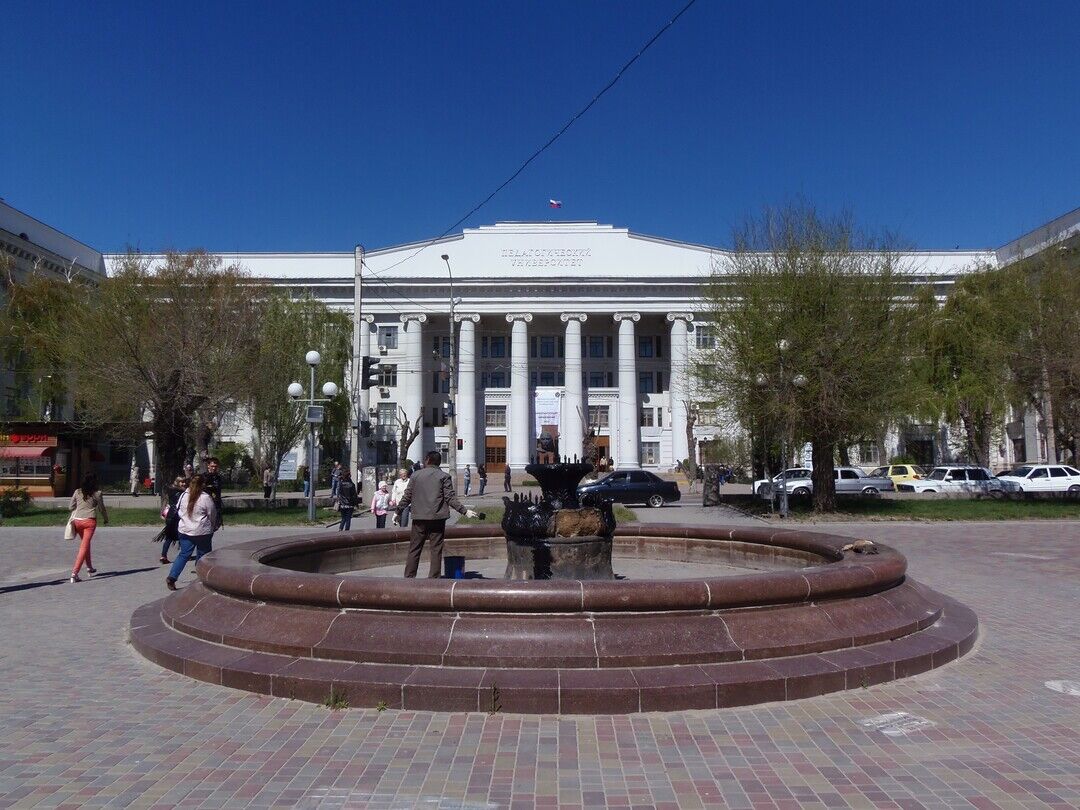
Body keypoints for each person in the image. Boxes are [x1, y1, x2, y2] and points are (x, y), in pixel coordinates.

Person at [392, 451, 478, 578]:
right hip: (437, 518)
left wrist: (397, 512)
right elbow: (450, 498)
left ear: (427, 460)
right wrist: (464, 511)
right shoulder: (444, 476)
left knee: (414, 548)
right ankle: (434, 579)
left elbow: (407, 496)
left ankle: (409, 578)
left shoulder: (416, 476)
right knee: (436, 549)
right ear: (439, 462)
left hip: (419, 518)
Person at [166, 474, 219, 590]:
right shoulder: (205, 497)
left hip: (185, 529)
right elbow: (212, 514)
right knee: (203, 555)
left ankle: (172, 577)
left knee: (184, 554)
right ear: (202, 485)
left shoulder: (184, 495)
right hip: (202, 531)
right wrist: (214, 526)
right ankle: (201, 578)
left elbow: (178, 510)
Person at [69, 473, 109, 583]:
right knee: (84, 546)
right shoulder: (97, 493)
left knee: (85, 544)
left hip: (78, 521)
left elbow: (70, 506)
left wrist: (80, 505)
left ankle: (89, 567)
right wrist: (106, 519)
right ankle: (74, 573)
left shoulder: (78, 491)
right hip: (90, 521)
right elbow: (102, 509)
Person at [156, 476, 188, 564]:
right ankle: (184, 554)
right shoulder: (182, 492)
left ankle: (163, 555)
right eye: (181, 482)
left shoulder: (171, 490)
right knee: (183, 535)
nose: (184, 484)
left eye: (184, 482)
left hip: (170, 515)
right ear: (177, 482)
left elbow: (168, 502)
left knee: (169, 537)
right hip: (177, 516)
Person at [203, 457, 225, 529]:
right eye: (212, 466)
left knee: (215, 525)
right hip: (206, 504)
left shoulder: (218, 477)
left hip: (216, 504)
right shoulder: (204, 477)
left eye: (215, 466)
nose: (214, 468)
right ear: (208, 466)